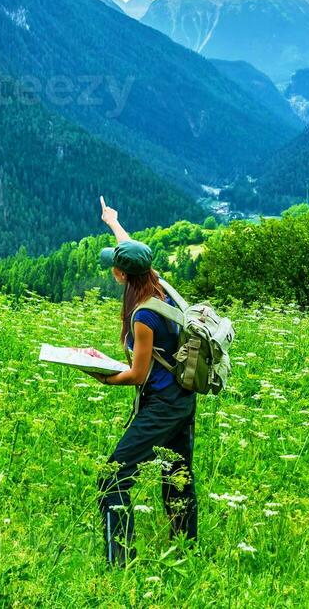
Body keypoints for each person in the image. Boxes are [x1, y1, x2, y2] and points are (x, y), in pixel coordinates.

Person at [93, 196, 198, 566]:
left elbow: (138, 374)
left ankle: (119, 562)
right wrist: (114, 222)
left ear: (122, 275)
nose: (112, 270)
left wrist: (102, 375)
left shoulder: (142, 317)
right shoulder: (159, 286)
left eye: (115, 267)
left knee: (113, 477)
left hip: (164, 404)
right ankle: (186, 552)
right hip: (183, 398)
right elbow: (133, 251)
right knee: (177, 475)